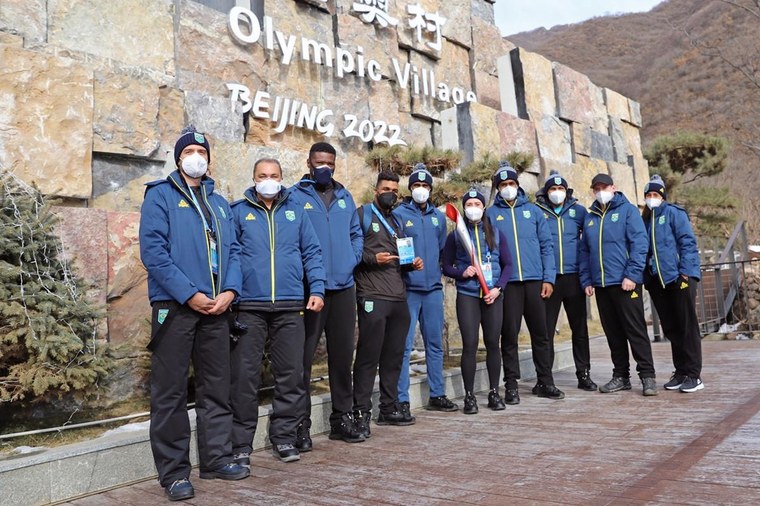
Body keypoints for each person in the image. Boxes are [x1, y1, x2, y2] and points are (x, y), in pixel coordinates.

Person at [139, 126, 249, 502]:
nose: (196, 156)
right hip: (176, 308)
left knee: (217, 388)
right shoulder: (160, 196)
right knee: (169, 393)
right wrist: (190, 294)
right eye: (190, 151)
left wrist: (230, 292)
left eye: (202, 150)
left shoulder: (220, 203)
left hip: (218, 308)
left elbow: (234, 252)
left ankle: (217, 458)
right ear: (179, 157)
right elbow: (154, 253)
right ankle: (173, 473)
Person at [229, 158, 327, 466]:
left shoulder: (295, 210)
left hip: (290, 305)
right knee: (244, 377)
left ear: (282, 179)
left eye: (273, 176)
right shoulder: (238, 212)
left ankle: (284, 437)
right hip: (249, 306)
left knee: (291, 375)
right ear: (254, 178)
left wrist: (318, 288)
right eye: (262, 176)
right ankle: (241, 442)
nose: (268, 180)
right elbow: (230, 254)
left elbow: (311, 251)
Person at [291, 142, 365, 447]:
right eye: (319, 162)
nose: (325, 167)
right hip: (312, 291)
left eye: (330, 163)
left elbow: (355, 234)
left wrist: (352, 259)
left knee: (342, 358)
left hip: (344, 289)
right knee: (302, 360)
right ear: (309, 162)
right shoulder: (295, 196)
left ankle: (341, 419)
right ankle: (300, 424)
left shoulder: (345, 197)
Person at [353, 171, 423, 437]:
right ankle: (360, 412)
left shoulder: (397, 221)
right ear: (375, 190)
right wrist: (373, 259)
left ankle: (389, 407)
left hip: (398, 297)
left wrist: (411, 263)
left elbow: (400, 258)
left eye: (394, 190)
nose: (390, 194)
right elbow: (352, 251)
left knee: (393, 358)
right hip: (372, 295)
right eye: (385, 189)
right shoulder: (363, 215)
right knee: (368, 357)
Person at [486, 162, 563, 404]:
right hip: (508, 284)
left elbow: (546, 246)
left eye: (511, 184)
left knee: (541, 334)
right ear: (498, 188)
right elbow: (488, 250)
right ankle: (511, 384)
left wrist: (548, 278)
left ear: (518, 186)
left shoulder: (533, 211)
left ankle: (545, 381)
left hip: (534, 281)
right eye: (503, 185)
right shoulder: (490, 214)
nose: (508, 188)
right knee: (509, 335)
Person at [579, 173, 657, 396]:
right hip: (602, 285)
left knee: (635, 330)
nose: (601, 191)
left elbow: (640, 244)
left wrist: (632, 275)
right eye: (597, 188)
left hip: (626, 282)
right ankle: (621, 376)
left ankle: (648, 376)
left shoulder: (628, 211)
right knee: (613, 333)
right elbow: (585, 251)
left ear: (613, 187)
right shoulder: (590, 216)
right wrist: (587, 279)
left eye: (604, 187)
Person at [393, 164, 458, 415]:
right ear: (410, 189)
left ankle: (437, 394)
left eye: (425, 186)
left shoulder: (437, 218)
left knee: (435, 344)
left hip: (432, 289)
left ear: (431, 189)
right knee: (404, 346)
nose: (421, 190)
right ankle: (402, 398)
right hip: (409, 289)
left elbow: (442, 249)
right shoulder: (399, 214)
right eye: (417, 186)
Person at [442, 189, 513, 414]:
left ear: (484, 208)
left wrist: (498, 288)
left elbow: (508, 265)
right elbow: (446, 266)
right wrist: (462, 272)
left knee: (493, 343)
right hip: (468, 295)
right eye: (469, 204)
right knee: (470, 345)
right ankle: (469, 396)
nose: (473, 207)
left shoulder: (496, 233)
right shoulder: (456, 235)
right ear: (464, 208)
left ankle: (494, 392)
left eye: (477, 203)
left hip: (492, 296)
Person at [535, 171, 598, 391]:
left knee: (579, 329)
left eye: (561, 189)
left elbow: (590, 241)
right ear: (546, 192)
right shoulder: (538, 211)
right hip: (549, 280)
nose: (557, 193)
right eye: (553, 189)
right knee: (545, 331)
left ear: (567, 192)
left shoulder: (579, 212)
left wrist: (587, 276)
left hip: (574, 278)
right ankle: (544, 378)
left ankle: (584, 375)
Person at [641, 175, 704, 393]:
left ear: (663, 196)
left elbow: (687, 242)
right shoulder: (645, 220)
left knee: (687, 326)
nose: (652, 198)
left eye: (655, 194)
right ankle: (681, 371)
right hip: (658, 281)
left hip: (679, 278)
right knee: (672, 328)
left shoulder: (674, 213)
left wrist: (685, 273)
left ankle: (694, 374)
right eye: (648, 195)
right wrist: (647, 279)